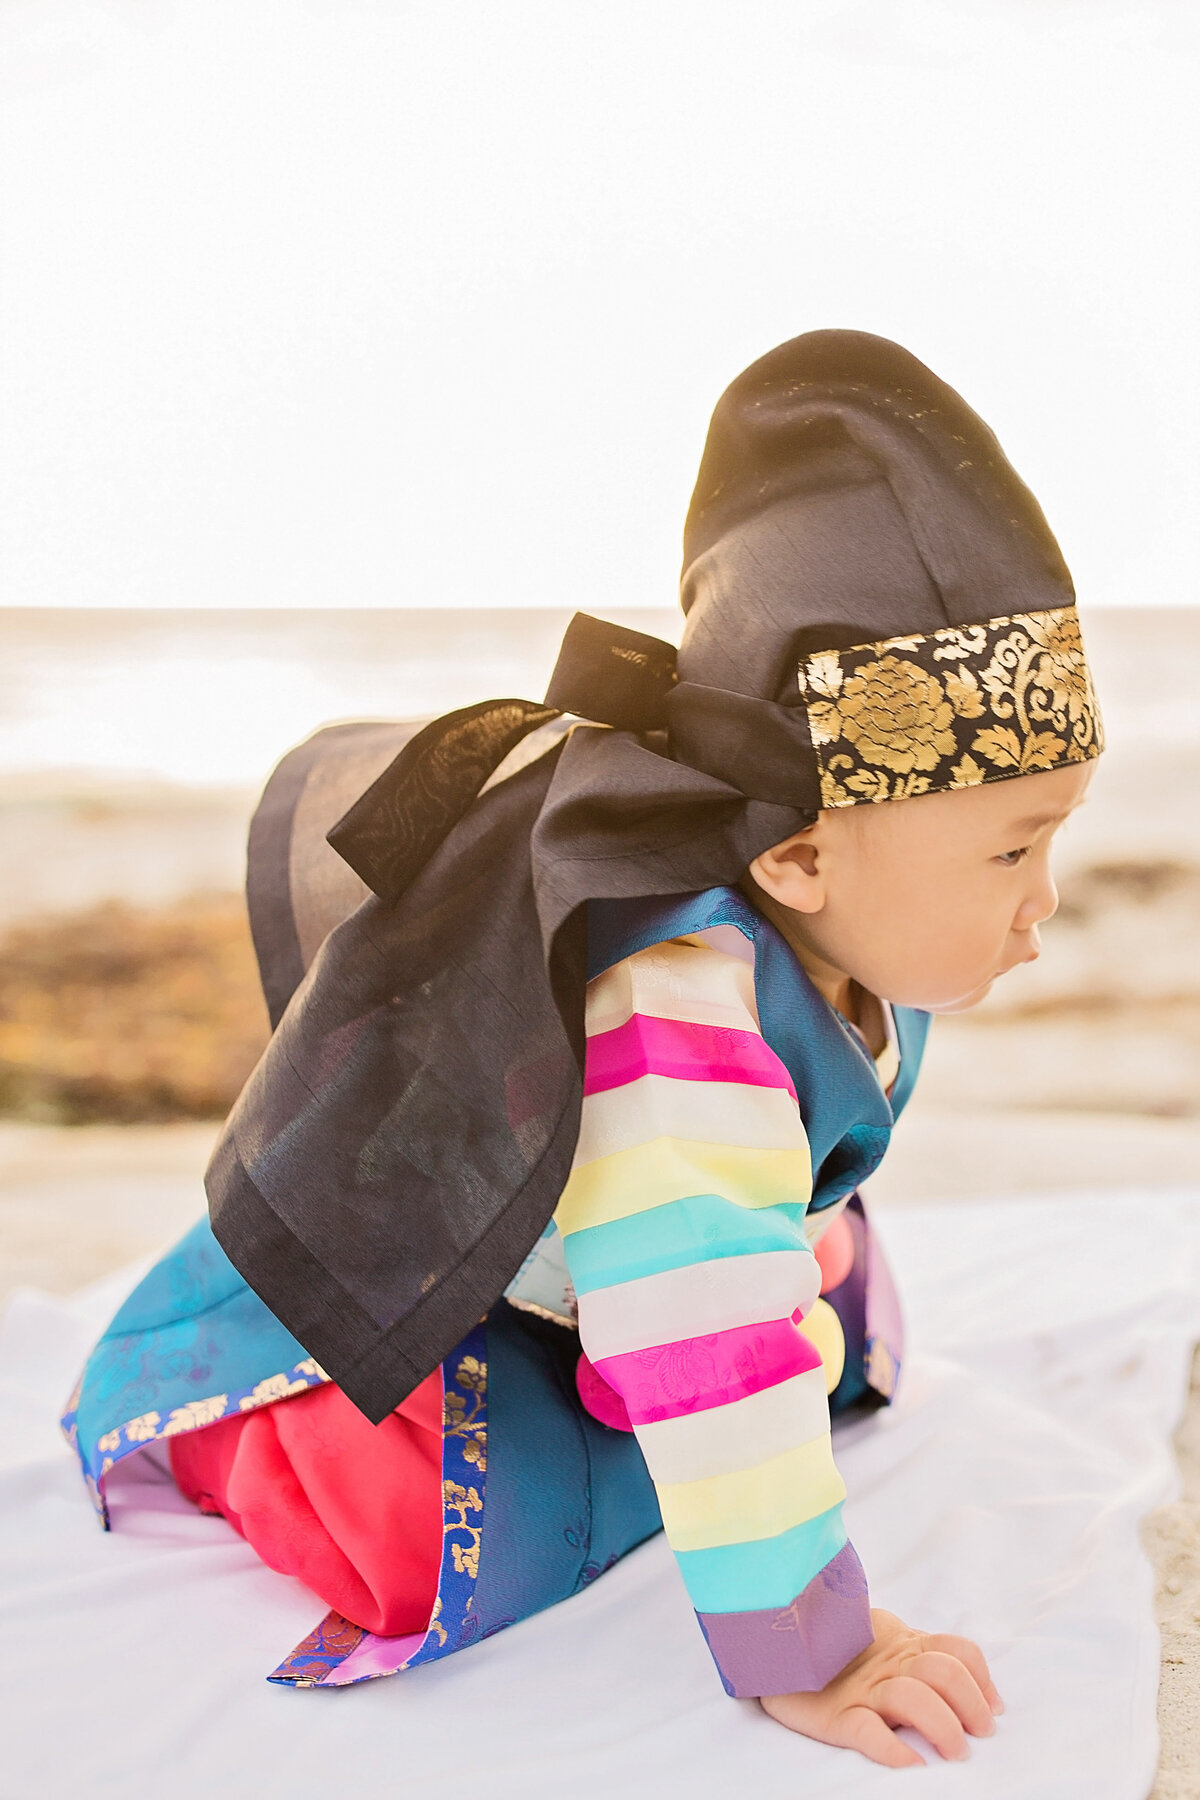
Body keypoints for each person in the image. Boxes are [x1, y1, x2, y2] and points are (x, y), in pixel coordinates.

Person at [63, 330, 1102, 1769]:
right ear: (798, 856)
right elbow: (716, 1338)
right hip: (468, 1280)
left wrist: (781, 1250)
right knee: (431, 1539)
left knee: (825, 1323)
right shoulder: (680, 1013)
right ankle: (227, 1427)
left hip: (639, 1247)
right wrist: (820, 1644)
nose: (1048, 899)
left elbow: (773, 1179)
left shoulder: (843, 922)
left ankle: (682, 1310)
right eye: (1014, 848)